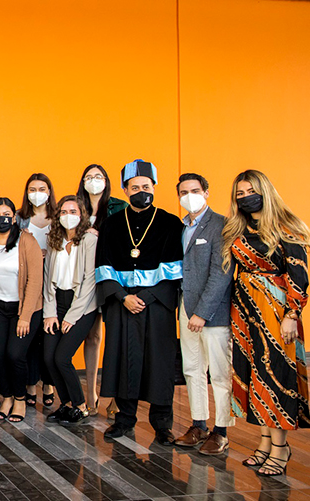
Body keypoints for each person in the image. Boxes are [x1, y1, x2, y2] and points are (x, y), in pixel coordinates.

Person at [225, 170, 309, 477]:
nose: (245, 197)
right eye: (239, 194)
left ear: (265, 191)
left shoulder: (288, 227)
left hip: (276, 312)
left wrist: (292, 314)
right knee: (253, 375)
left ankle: (280, 448)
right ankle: (263, 443)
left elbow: (299, 276)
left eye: (250, 191)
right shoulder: (239, 228)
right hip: (244, 310)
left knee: (275, 376)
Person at [95, 160, 183, 444]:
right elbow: (103, 267)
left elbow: (176, 271)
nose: (141, 191)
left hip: (156, 304)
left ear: (154, 188)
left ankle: (162, 424)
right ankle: (124, 419)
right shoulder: (112, 224)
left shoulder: (170, 223)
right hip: (123, 304)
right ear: (125, 189)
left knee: (159, 363)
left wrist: (143, 297)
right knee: (123, 360)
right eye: (135, 187)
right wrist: (123, 297)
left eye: (146, 187)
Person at [172, 173, 234, 454]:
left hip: (212, 314)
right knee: (192, 370)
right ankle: (199, 425)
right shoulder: (182, 227)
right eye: (183, 192)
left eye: (194, 190)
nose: (189, 196)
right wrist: (188, 311)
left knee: (219, 374)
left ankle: (221, 431)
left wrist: (203, 313)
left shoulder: (221, 225)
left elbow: (221, 274)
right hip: (185, 308)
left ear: (207, 192)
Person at [0, 197, 43, 422]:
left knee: (15, 355)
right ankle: (5, 396)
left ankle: (19, 399)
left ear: (14, 217)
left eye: (6, 214)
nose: (1, 219)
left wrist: (25, 316)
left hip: (24, 308)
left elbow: (35, 281)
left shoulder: (27, 241)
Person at [75, 164, 128, 417]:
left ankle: (116, 396)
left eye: (98, 177)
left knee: (116, 336)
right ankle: (91, 395)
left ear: (106, 181)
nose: (93, 181)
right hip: (85, 277)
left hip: (113, 276)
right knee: (93, 337)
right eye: (88, 177)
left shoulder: (119, 206)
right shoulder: (75, 206)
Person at [42, 196, 98, 426]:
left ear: (81, 214)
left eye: (72, 211)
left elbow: (89, 281)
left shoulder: (88, 240)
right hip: (57, 303)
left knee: (62, 357)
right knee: (47, 358)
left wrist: (73, 316)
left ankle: (81, 406)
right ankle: (66, 404)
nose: (68, 216)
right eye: (63, 212)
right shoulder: (53, 240)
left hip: (82, 306)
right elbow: (48, 279)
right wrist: (50, 313)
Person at [17, 173, 57, 409]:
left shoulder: (58, 217)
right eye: (32, 188)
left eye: (41, 188)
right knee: (31, 337)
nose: (37, 192)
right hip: (29, 282)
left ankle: (49, 384)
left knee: (49, 336)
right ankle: (31, 384)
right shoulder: (21, 219)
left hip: (53, 282)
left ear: (49, 191)